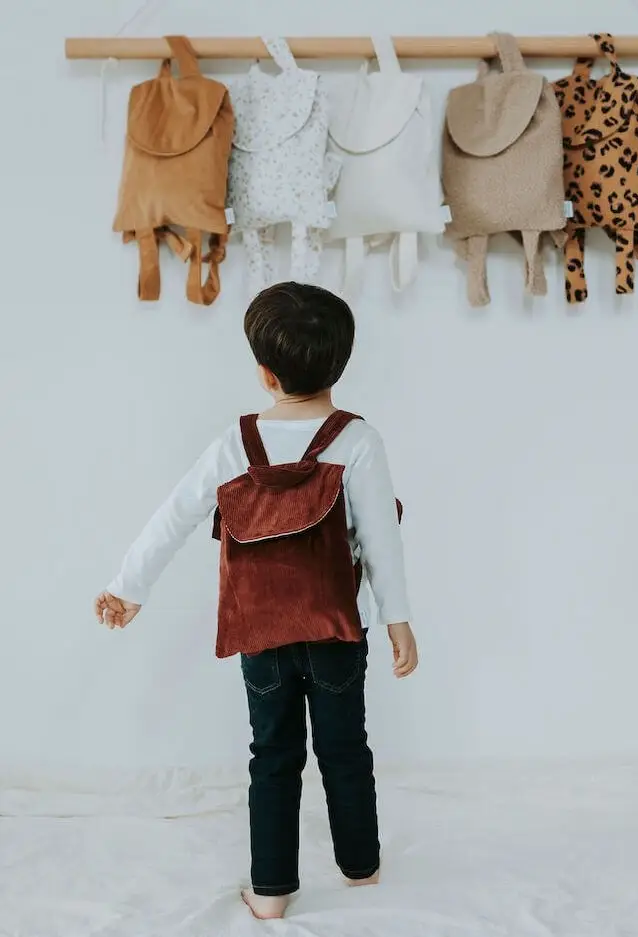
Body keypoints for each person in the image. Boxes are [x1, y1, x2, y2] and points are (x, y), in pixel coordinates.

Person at [94, 282, 418, 920]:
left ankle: (270, 892)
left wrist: (129, 587)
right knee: (345, 750)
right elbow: (382, 538)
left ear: (265, 374)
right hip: (337, 631)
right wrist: (398, 620)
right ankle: (362, 868)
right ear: (341, 365)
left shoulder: (235, 442)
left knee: (272, 756)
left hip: (260, 632)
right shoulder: (358, 441)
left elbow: (175, 515)